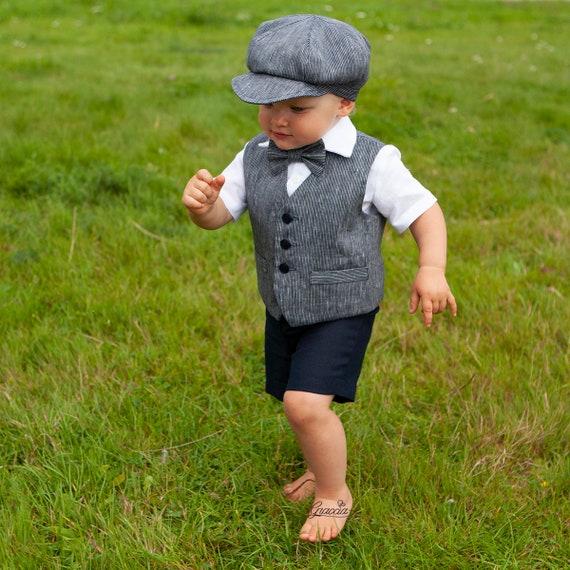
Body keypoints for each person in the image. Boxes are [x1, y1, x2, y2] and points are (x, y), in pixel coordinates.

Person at [182, 14, 457, 543]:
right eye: (268, 105)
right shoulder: (254, 154)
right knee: (292, 396)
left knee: (304, 404)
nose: (278, 121)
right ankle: (319, 463)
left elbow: (426, 211)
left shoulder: (374, 162)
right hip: (283, 302)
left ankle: (335, 492)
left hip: (343, 304)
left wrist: (431, 268)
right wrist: (204, 207)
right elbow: (221, 217)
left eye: (298, 109)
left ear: (344, 104)